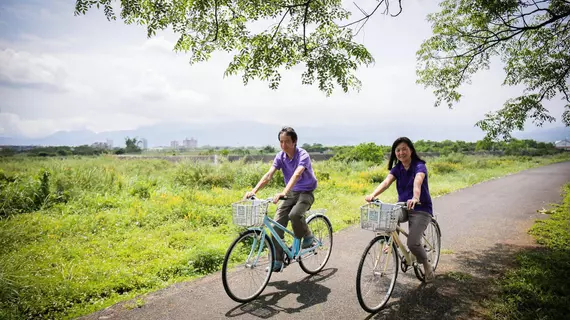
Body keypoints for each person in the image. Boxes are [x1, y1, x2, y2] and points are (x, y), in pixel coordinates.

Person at [245, 126, 318, 272]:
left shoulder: (303, 154)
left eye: (287, 142)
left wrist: (283, 192)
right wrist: (254, 190)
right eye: (281, 142)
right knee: (276, 226)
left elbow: (297, 174)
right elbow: (269, 175)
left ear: (294, 141)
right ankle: (277, 261)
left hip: (305, 192)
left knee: (295, 215)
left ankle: (308, 236)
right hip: (290, 193)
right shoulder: (280, 156)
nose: (284, 145)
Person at [364, 137, 435, 282]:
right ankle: (392, 243)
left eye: (404, 149)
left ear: (411, 150)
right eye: (398, 150)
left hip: (421, 208)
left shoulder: (419, 166)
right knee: (390, 214)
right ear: (394, 153)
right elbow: (386, 182)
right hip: (403, 206)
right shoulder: (398, 168)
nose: (401, 152)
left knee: (413, 243)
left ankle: (427, 265)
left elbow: (418, 181)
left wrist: (415, 197)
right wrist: (373, 195)